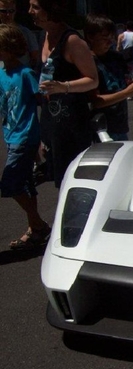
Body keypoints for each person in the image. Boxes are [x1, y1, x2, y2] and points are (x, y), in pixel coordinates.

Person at [29, 0, 99, 188]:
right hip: (52, 120)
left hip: (72, 125)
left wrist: (64, 86)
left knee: (74, 181)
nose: (30, 11)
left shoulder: (71, 40)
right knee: (59, 180)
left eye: (36, 6)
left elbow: (93, 79)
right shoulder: (45, 35)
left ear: (51, 9)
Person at [0, 24, 50, 250]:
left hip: (25, 136)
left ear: (9, 48)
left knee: (10, 185)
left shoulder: (26, 74)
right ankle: (35, 229)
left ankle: (39, 225)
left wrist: (43, 139)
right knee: (26, 185)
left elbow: (44, 103)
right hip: (10, 135)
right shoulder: (2, 74)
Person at [84, 13, 133, 141]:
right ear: (90, 37)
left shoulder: (116, 57)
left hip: (120, 125)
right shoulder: (87, 62)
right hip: (99, 129)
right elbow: (95, 102)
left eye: (112, 37)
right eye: (104, 38)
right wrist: (126, 93)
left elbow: (126, 82)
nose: (110, 41)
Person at [0, 0, 39, 69]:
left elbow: (35, 57)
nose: (8, 14)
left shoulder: (26, 32)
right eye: (4, 11)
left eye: (11, 11)